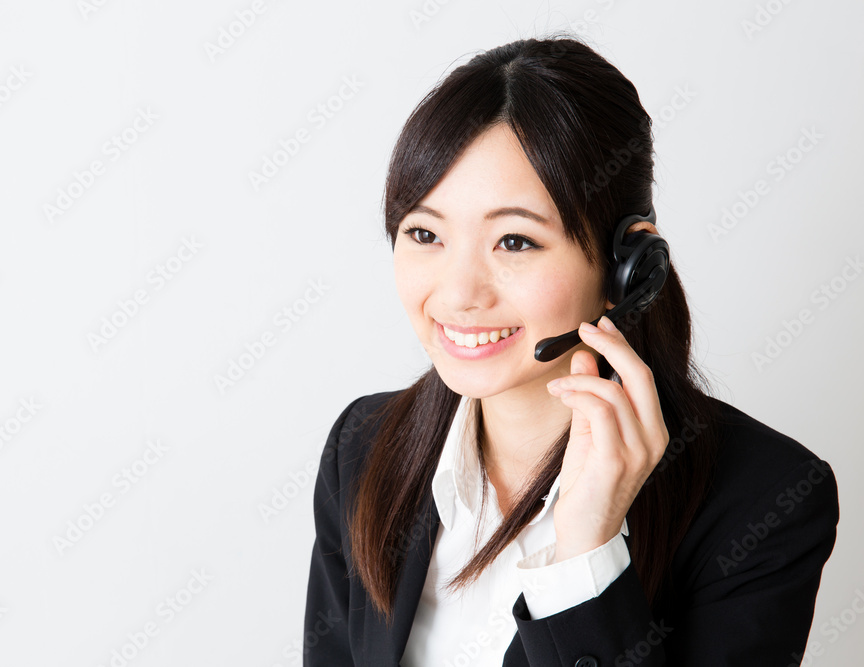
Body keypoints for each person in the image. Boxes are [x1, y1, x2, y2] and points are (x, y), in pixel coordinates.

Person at [303, 35, 839, 666]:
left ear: (627, 268)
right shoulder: (363, 448)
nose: (458, 294)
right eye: (425, 233)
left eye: (515, 242)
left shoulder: (765, 500)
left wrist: (588, 553)